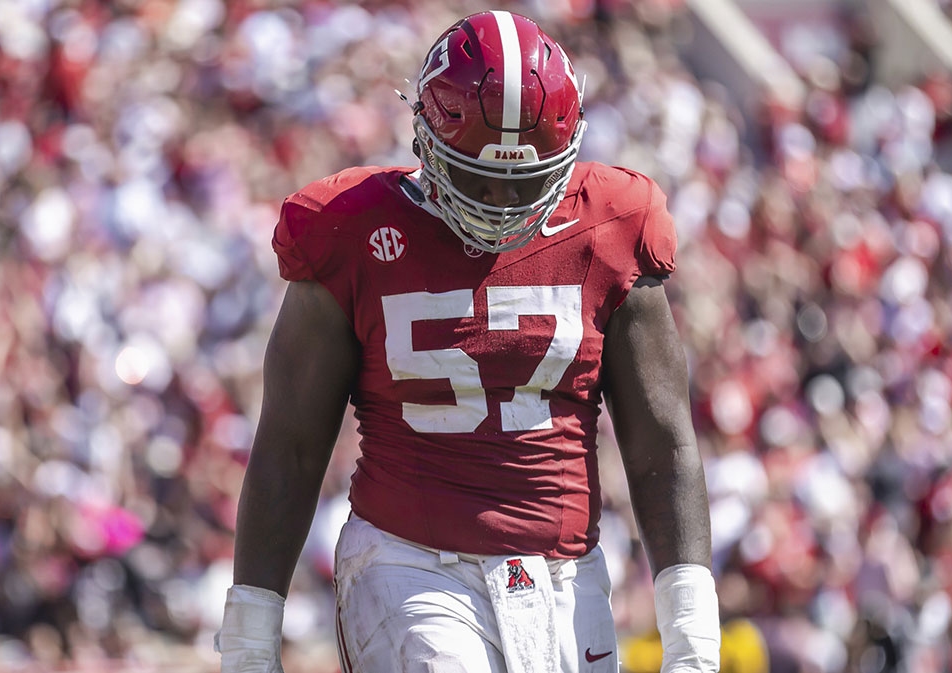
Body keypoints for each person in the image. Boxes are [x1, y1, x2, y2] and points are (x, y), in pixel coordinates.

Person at [215, 10, 719, 673]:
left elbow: (662, 437)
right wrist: (249, 640)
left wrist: (691, 636)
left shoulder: (612, 224)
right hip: (408, 562)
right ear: (424, 139)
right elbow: (291, 443)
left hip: (564, 574)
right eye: (477, 177)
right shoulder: (352, 230)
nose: (501, 202)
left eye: (524, 179)